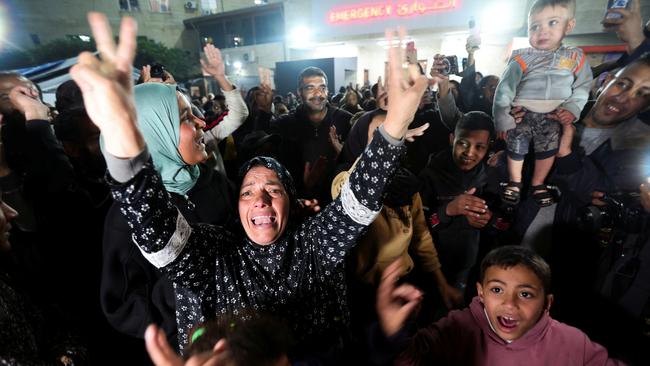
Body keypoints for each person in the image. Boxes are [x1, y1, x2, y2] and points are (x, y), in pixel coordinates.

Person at [70, 12, 428, 364]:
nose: (259, 198)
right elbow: (159, 233)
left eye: (273, 189)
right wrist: (122, 135)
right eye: (246, 191)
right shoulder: (215, 256)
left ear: (291, 199)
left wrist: (395, 122)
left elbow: (356, 205)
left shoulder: (313, 245)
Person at [101, 59, 240, 352]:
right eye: (185, 118)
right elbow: (123, 306)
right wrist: (188, 327)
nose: (202, 123)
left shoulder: (211, 180)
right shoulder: (130, 216)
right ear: (153, 133)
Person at [372, 246, 623, 365]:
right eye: (497, 290)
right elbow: (409, 359)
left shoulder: (572, 343)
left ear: (547, 303)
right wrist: (395, 333)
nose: (509, 304)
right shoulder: (456, 328)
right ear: (480, 293)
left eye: (525, 294)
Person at [493, 0, 593, 208]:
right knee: (516, 147)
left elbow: (583, 86)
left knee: (547, 149)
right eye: (535, 26)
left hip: (553, 115)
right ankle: (515, 182)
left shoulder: (576, 57)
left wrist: (572, 109)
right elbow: (504, 89)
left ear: (569, 26)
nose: (542, 31)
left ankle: (538, 183)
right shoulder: (521, 57)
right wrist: (502, 118)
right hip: (522, 112)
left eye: (552, 23)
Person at [419, 112, 499, 293]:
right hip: (433, 271)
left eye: (479, 147)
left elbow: (505, 225)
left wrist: (489, 220)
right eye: (463, 143)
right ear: (452, 139)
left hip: (476, 272)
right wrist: (448, 210)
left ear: (488, 147)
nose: (469, 153)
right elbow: (417, 229)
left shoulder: (492, 177)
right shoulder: (430, 176)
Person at [270, 66, 353, 205]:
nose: (318, 93)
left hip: (339, 204)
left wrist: (343, 154)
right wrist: (263, 111)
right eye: (310, 88)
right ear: (299, 92)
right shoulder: (285, 123)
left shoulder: (346, 121)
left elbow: (360, 163)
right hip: (297, 204)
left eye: (322, 87)